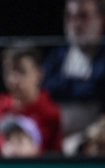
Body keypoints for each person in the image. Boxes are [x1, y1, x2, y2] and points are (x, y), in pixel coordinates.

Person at [0, 43, 62, 157]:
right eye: (8, 72)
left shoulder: (51, 114)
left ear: (39, 73)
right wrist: (4, 145)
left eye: (21, 71)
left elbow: (57, 159)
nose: (13, 79)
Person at [42, 0, 105, 136]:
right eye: (69, 16)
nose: (75, 24)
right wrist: (79, 84)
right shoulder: (59, 54)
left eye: (83, 16)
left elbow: (97, 87)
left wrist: (64, 84)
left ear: (101, 20)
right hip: (53, 135)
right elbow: (43, 86)